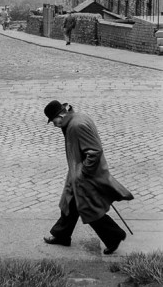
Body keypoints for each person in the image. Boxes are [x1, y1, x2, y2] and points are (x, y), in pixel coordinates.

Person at [43, 100, 134, 255]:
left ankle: (114, 236)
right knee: (69, 201)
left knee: (87, 208)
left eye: (53, 120)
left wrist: (83, 172)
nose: (54, 125)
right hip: (77, 171)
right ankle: (62, 235)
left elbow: (94, 151)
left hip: (86, 175)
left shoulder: (76, 125)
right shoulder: (75, 119)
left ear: (61, 114)